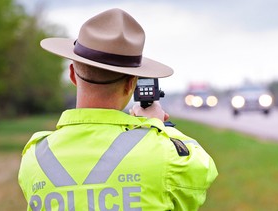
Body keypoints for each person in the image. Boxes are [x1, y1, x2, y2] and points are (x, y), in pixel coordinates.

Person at [18, 8, 217, 211]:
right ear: (131, 84)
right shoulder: (167, 156)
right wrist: (157, 125)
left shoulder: (34, 157)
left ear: (72, 74)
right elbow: (204, 168)